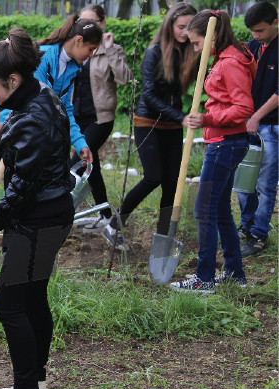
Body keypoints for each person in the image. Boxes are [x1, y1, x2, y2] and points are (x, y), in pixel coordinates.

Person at [0, 28, 75, 389]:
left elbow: (22, 189)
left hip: (37, 219)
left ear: (13, 80)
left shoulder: (33, 116)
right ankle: (34, 383)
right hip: (49, 213)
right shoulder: (41, 96)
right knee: (32, 301)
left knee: (10, 304)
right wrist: (1, 138)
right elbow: (29, 151)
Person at [0, 14, 101, 259]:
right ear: (79, 40)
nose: (91, 55)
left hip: (24, 135)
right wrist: (0, 132)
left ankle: (12, 248)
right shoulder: (45, 59)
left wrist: (79, 141)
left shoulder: (72, 68)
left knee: (16, 188)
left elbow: (60, 108)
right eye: (91, 48)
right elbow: (23, 103)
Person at [170, 10, 255, 293]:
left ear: (212, 36)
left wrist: (207, 119)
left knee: (203, 209)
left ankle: (204, 278)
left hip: (225, 143)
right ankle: (234, 274)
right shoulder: (225, 57)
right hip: (224, 141)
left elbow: (243, 108)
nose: (195, 49)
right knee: (218, 210)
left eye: (197, 43)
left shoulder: (230, 62)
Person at [103, 2, 199, 250]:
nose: (185, 32)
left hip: (173, 123)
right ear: (170, 26)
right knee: (153, 177)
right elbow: (149, 95)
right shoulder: (155, 52)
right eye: (181, 26)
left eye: (190, 27)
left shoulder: (193, 51)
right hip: (148, 121)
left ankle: (163, 236)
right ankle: (114, 224)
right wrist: (181, 117)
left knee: (171, 181)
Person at [71, 4, 132, 233]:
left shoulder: (111, 50)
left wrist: (110, 49)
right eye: (82, 22)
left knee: (76, 162)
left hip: (100, 118)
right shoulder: (75, 47)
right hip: (75, 118)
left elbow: (125, 79)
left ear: (103, 23)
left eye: (93, 22)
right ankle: (105, 214)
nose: (87, 27)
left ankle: (59, 213)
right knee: (90, 164)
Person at [238, 1, 278, 257]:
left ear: (276, 22)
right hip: (248, 126)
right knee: (244, 182)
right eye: (252, 31)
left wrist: (256, 116)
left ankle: (259, 234)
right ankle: (246, 225)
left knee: (265, 183)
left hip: (272, 126)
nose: (256, 36)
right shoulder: (253, 47)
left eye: (260, 30)